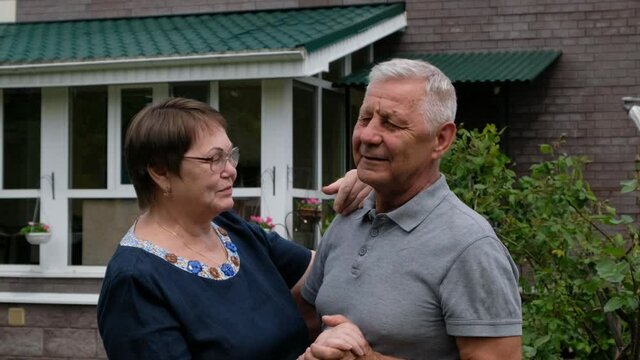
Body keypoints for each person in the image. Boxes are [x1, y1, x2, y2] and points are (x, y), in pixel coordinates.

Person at [97, 97, 370, 360]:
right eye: (214, 159)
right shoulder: (134, 282)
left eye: (230, 156)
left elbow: (329, 271)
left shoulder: (229, 229)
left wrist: (374, 190)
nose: (231, 171)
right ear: (160, 171)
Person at [300, 59, 522, 360]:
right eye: (365, 119)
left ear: (440, 140)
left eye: (391, 124)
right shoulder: (349, 217)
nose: (367, 136)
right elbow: (309, 322)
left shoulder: (469, 246)